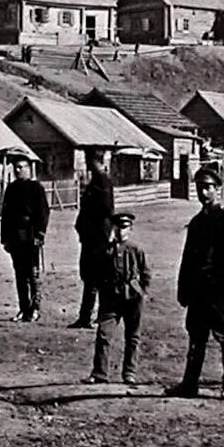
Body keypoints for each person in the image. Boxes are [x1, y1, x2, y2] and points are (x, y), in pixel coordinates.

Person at [166, 165, 224, 399]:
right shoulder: (197, 222)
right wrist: (184, 289)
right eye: (200, 188)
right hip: (198, 292)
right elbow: (188, 258)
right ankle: (189, 384)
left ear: (218, 190)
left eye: (208, 188)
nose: (204, 192)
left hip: (218, 292)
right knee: (196, 337)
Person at [86, 212, 150, 385]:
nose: (121, 231)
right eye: (118, 227)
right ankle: (100, 373)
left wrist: (141, 292)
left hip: (132, 297)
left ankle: (130, 372)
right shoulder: (106, 250)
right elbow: (98, 274)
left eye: (124, 227)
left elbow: (145, 274)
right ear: (113, 228)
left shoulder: (136, 249)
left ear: (130, 229)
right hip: (110, 299)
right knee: (104, 335)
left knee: (133, 337)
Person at [68, 147, 117, 328]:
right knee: (89, 278)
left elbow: (105, 210)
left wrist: (88, 224)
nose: (89, 165)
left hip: (98, 238)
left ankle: (99, 316)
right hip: (91, 238)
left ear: (100, 162)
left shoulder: (102, 182)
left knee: (98, 278)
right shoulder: (95, 181)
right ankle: (85, 317)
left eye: (92, 162)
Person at [0, 158, 50, 322]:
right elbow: (5, 215)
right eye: (16, 167)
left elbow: (43, 214)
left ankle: (35, 309)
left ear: (29, 169)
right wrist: (4, 238)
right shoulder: (11, 188)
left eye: (21, 167)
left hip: (30, 235)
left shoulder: (36, 188)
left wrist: (39, 235)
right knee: (19, 274)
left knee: (32, 274)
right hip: (15, 236)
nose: (18, 170)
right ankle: (23, 308)